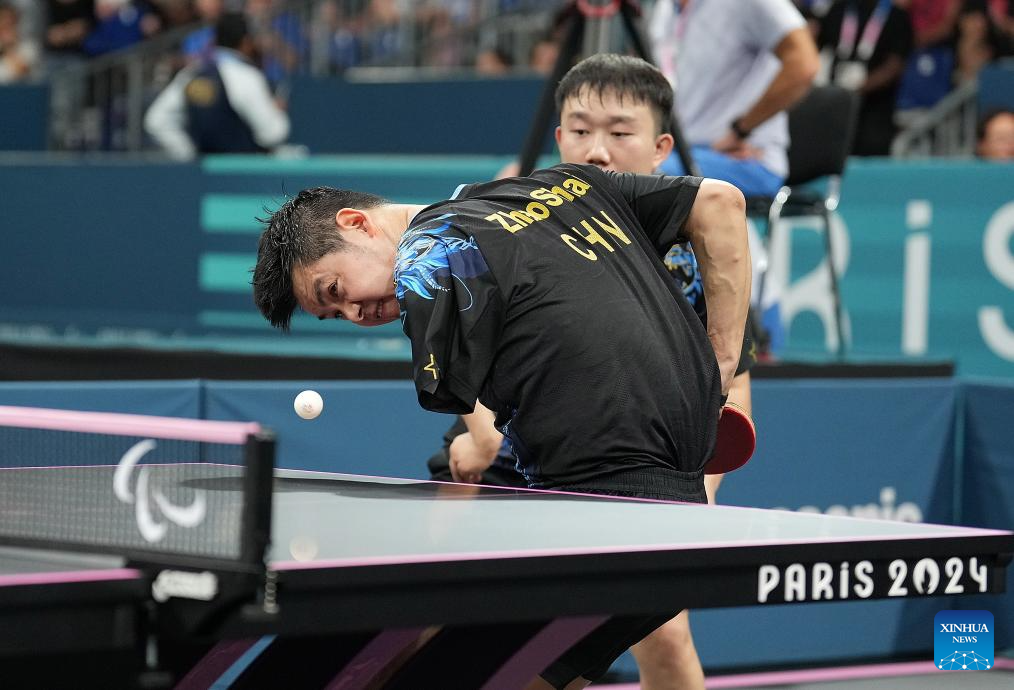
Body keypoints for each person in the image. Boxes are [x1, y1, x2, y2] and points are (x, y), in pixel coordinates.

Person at [252, 135, 751, 690]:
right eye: (335, 314)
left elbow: (472, 408)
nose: (354, 312)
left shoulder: (426, 251)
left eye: (335, 288)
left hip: (595, 521)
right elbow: (721, 202)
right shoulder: (568, 184)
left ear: (356, 223)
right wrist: (722, 359)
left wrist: (479, 435)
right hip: (678, 517)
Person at [649, 0, 820, 198]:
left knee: (640, 172)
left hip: (742, 160)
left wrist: (741, 130)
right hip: (679, 149)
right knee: (628, 163)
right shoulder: (666, 8)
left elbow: (803, 66)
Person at [144, 11, 289, 159]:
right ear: (246, 42)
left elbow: (156, 121)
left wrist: (190, 156)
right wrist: (277, 112)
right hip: (246, 169)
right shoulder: (246, 76)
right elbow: (274, 133)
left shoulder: (192, 72)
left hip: (203, 170)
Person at [816, 0, 914, 156]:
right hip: (836, 110)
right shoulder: (839, 9)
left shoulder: (896, 16)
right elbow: (816, 47)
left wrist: (858, 88)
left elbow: (895, 64)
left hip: (875, 114)